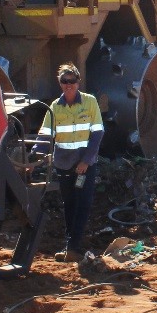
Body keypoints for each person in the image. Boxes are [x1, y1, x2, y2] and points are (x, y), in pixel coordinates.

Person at [37, 63, 104, 262]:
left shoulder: (90, 103)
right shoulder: (55, 108)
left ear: (78, 82)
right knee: (70, 204)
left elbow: (97, 133)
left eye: (72, 81)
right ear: (60, 83)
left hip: (84, 166)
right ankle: (70, 246)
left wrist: (86, 161)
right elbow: (45, 136)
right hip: (64, 165)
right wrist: (33, 158)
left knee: (83, 203)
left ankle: (73, 247)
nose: (68, 85)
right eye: (64, 81)